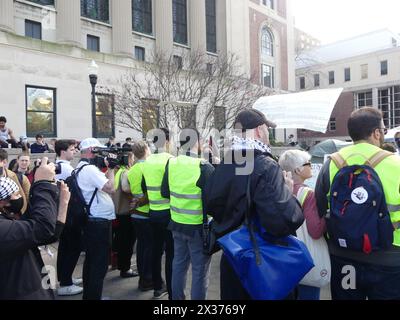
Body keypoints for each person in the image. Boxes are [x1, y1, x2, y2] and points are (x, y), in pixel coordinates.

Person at [204, 109, 304, 300]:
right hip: (261, 263)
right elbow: (283, 222)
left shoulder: (226, 163)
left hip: (232, 260)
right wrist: (289, 194)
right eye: (267, 128)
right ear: (259, 130)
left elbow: (210, 203)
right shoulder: (265, 165)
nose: (269, 133)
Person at [315, 107, 400, 300]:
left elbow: (320, 206)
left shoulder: (332, 162)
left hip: (344, 255)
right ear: (376, 133)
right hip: (388, 257)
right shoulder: (396, 163)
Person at [0, 158, 70, 299]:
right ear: (3, 202)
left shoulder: (8, 221)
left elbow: (50, 234)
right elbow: (42, 228)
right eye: (16, 194)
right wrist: (43, 184)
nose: (19, 197)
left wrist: (63, 203)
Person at [161, 129, 214, 300]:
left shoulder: (172, 163)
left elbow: (164, 192)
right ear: (197, 143)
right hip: (198, 228)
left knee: (179, 265)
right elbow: (213, 201)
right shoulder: (204, 167)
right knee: (199, 271)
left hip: (176, 223)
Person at [279, 150, 326, 300]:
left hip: (284, 258)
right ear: (298, 170)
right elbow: (315, 230)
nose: (311, 166)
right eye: (308, 164)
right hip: (305, 259)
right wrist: (328, 215)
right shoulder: (308, 194)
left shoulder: (278, 190)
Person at [77, 138, 116, 300]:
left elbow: (100, 184)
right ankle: (94, 296)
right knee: (99, 264)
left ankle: (90, 295)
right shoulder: (89, 170)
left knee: (91, 261)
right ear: (91, 150)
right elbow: (110, 188)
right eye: (98, 150)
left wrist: (107, 170)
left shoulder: (81, 168)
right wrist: (112, 170)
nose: (101, 153)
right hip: (98, 222)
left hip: (93, 220)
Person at [141, 128, 174, 299]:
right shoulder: (170, 160)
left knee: (155, 250)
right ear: (167, 141)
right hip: (169, 213)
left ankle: (157, 287)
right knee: (171, 253)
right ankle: (171, 289)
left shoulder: (147, 161)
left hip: (152, 212)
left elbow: (142, 187)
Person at [55, 139, 84, 296]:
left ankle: (65, 278)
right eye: (72, 149)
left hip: (63, 213)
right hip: (70, 213)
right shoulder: (66, 169)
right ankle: (66, 283)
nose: (74, 151)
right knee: (73, 247)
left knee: (65, 247)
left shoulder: (57, 165)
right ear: (63, 151)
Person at [127, 141, 154, 291]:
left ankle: (143, 278)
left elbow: (126, 187)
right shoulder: (149, 167)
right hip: (148, 212)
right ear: (145, 150)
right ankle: (147, 280)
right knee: (150, 248)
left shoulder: (132, 169)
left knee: (142, 247)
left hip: (136, 215)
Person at [112, 152, 138, 278]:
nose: (133, 160)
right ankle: (125, 268)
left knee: (120, 240)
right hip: (126, 211)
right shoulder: (126, 172)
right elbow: (126, 188)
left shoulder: (116, 171)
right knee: (127, 242)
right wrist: (136, 194)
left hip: (117, 211)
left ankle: (119, 264)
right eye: (132, 158)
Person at [0, 149, 30, 216]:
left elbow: (28, 199)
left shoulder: (21, 179)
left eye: (26, 160)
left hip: (18, 219)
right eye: (22, 160)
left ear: (4, 162)